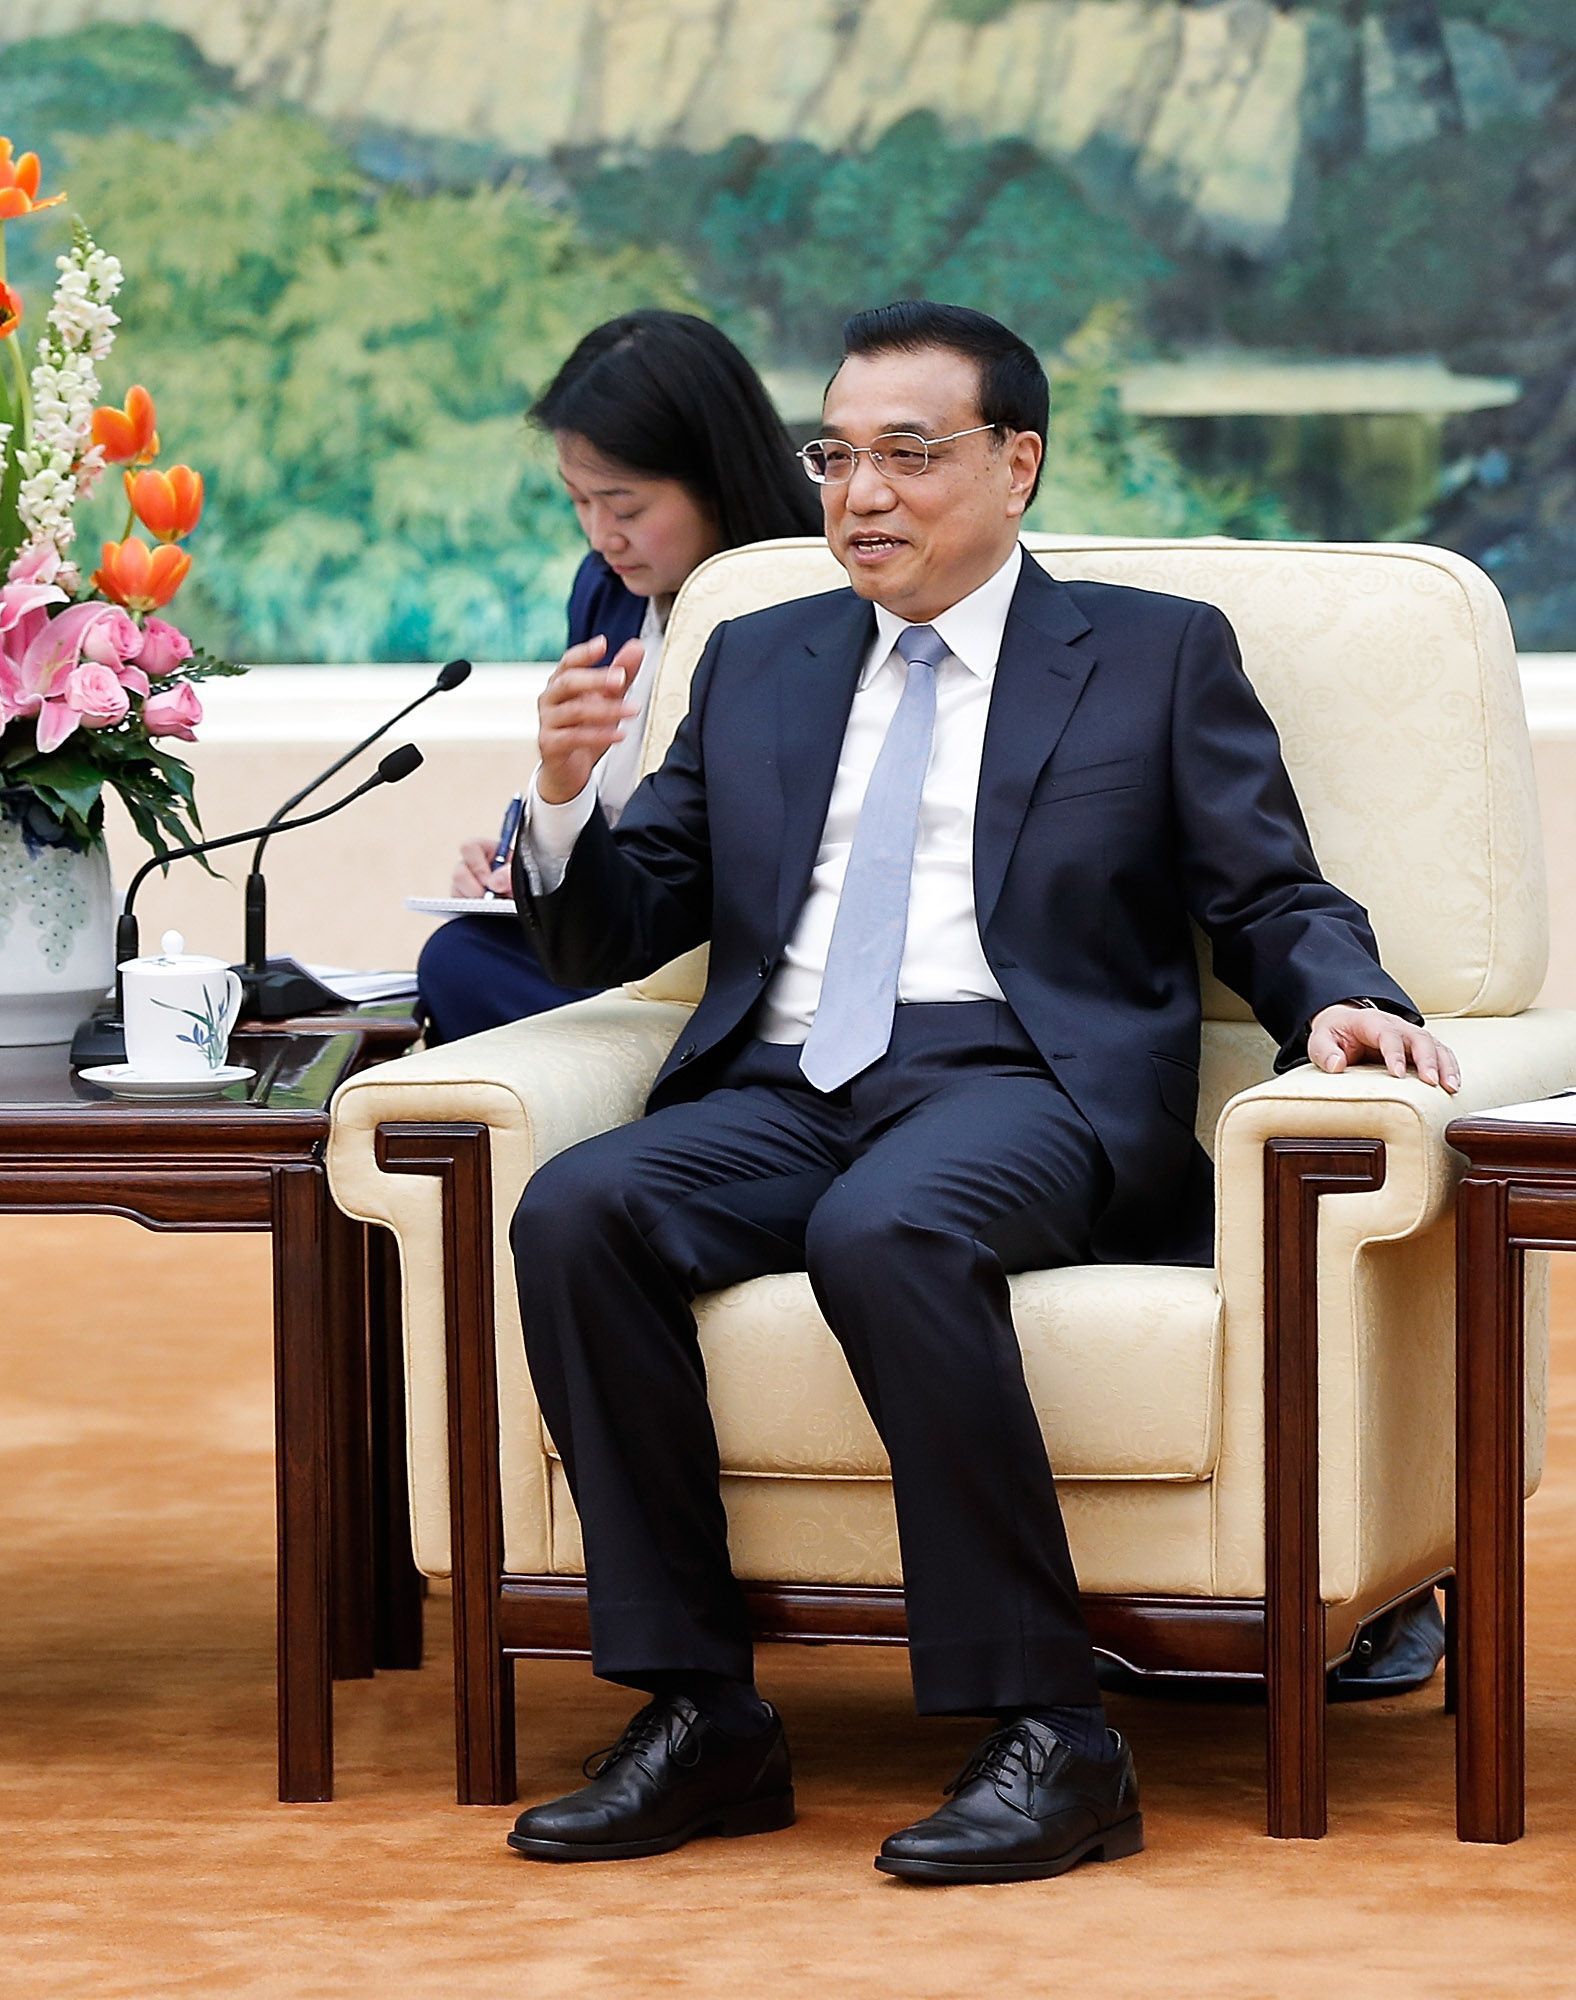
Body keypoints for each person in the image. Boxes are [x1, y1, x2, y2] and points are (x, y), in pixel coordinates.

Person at [497, 301, 1457, 1885]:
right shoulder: (758, 657)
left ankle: (1054, 1738)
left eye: (909, 455)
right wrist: (561, 797)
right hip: (790, 1075)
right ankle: (702, 1714)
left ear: (1015, 464)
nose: (860, 495)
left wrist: (1347, 996)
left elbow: (1267, 889)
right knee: (581, 1208)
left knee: (892, 1231)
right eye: (838, 456)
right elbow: (618, 928)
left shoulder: (1150, 656)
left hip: (1026, 1080)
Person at [417, 310, 817, 1042]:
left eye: (624, 506)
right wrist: (524, 855)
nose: (602, 535)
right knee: (460, 957)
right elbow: (601, 796)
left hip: (728, 957)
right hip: (620, 940)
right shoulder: (605, 590)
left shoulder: (798, 600)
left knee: (464, 970)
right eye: (579, 502)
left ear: (717, 480)